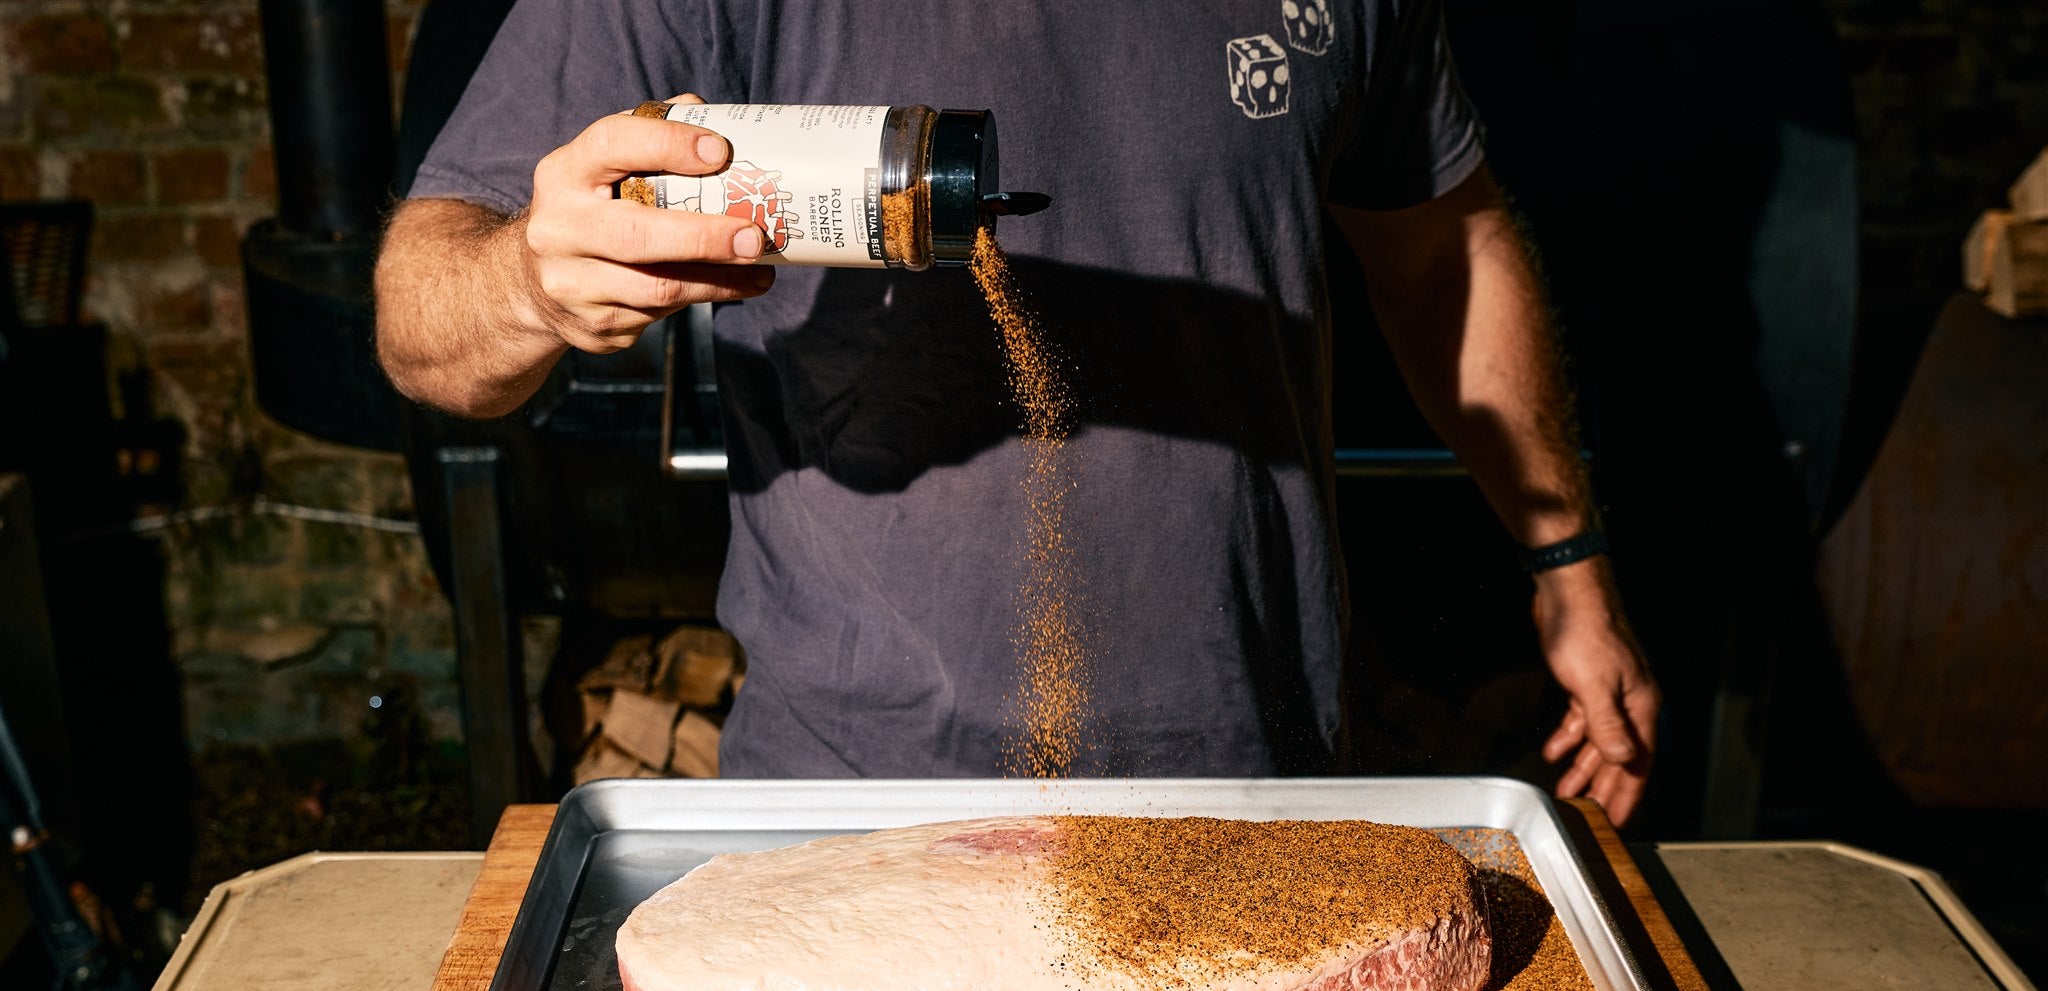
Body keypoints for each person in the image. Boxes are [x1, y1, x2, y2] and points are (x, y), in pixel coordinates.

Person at [376, 0, 1660, 823]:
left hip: (1258, 788)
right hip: (856, 807)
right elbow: (419, 326)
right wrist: (524, 282)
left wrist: (1570, 562)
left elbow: (1444, 249)